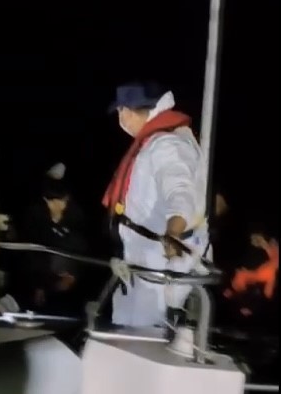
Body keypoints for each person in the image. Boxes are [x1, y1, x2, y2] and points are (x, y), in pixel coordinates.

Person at [103, 82, 209, 328]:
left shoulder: (168, 145)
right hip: (139, 263)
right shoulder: (153, 142)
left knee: (147, 333)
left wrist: (174, 231)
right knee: (125, 327)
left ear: (132, 111)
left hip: (158, 265)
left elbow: (181, 191)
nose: (121, 119)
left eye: (121, 111)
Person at [19, 163, 88, 315]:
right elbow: (33, 251)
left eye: (61, 201)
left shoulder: (76, 215)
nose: (56, 206)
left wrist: (72, 275)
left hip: (70, 283)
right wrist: (39, 286)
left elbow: (81, 246)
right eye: (51, 201)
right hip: (43, 279)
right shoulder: (36, 215)